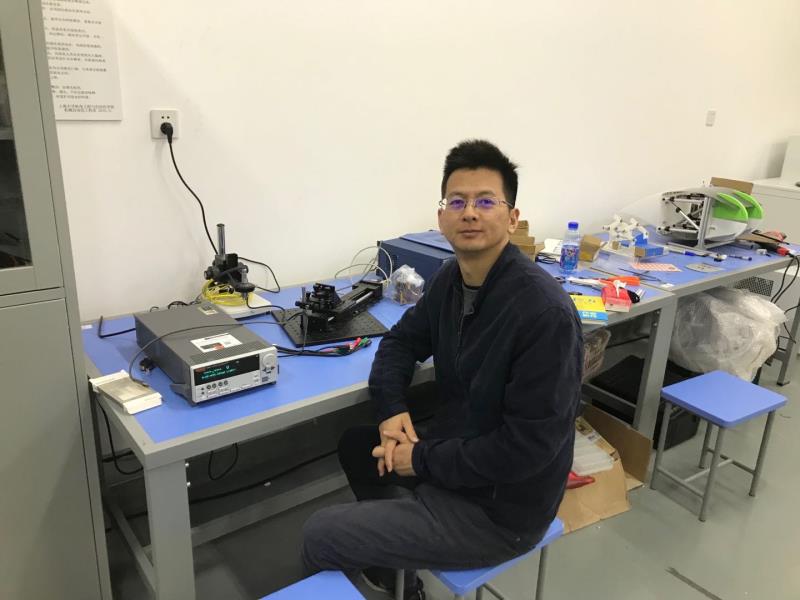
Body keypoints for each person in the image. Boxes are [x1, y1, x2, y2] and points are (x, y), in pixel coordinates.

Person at [302, 139, 583, 599]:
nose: (469, 213)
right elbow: (400, 342)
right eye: (457, 202)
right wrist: (392, 409)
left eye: (486, 201)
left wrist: (420, 460)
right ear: (441, 217)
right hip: (458, 453)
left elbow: (526, 450)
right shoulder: (451, 280)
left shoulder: (543, 314)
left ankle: (405, 554)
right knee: (358, 443)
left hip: (501, 509)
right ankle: (401, 575)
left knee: (321, 534)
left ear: (512, 218)